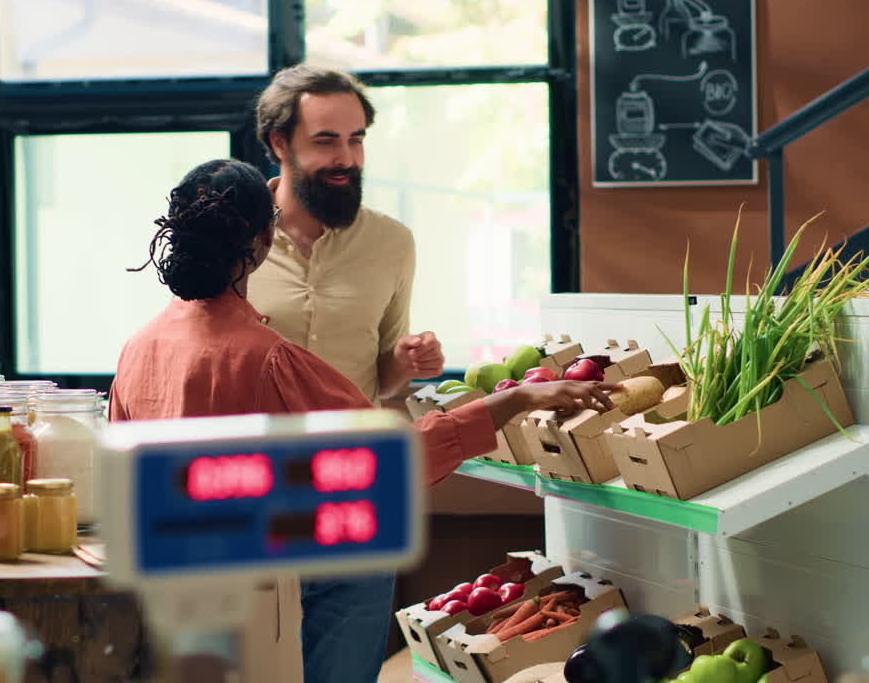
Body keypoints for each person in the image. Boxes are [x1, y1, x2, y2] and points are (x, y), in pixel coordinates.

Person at [110, 159, 616, 682]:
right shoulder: (270, 359)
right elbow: (392, 462)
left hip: (170, 590)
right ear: (264, 238)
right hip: (256, 589)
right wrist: (519, 399)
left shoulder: (138, 347)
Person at [249, 63, 444, 683]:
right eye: (326, 140)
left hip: (355, 490)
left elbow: (382, 377)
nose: (346, 158)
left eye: (356, 139)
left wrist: (406, 364)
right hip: (252, 492)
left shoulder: (392, 243)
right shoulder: (233, 237)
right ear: (280, 143)